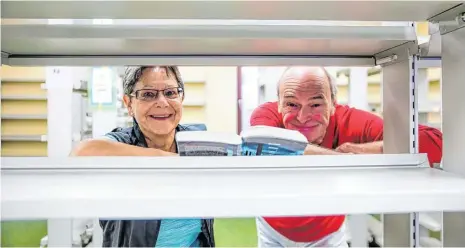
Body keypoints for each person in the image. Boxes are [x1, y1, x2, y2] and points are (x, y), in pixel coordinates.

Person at [250, 66, 443, 247]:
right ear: (278, 104)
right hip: (272, 229)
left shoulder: (350, 121)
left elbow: (433, 142)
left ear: (333, 104)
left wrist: (359, 150)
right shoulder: (267, 114)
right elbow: (266, 144)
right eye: (292, 104)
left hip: (328, 232)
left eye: (315, 104)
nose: (302, 116)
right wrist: (343, 158)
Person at [71, 66, 215, 247]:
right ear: (129, 104)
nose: (162, 102)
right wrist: (166, 160)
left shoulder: (196, 140)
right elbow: (81, 153)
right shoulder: (122, 142)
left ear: (182, 97)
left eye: (170, 92)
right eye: (148, 94)